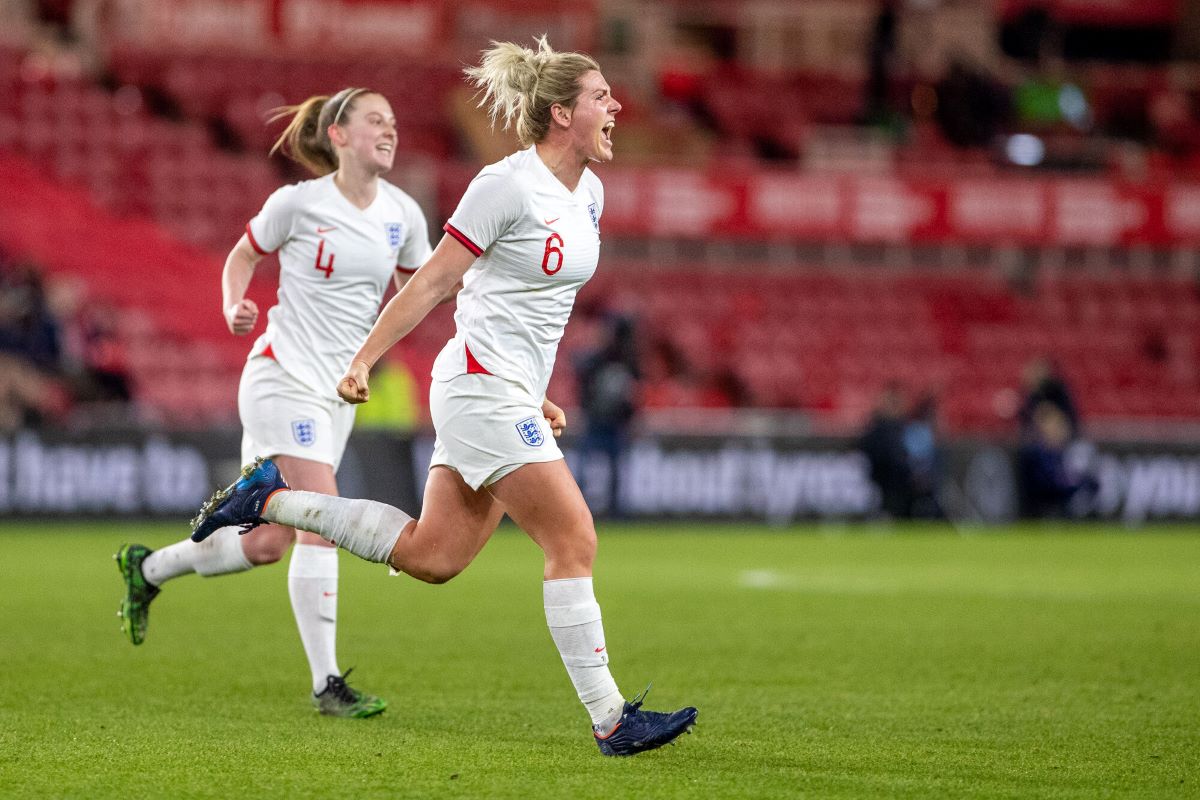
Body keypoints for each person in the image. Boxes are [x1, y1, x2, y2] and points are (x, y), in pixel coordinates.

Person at [190, 37, 698, 757]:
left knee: (434, 557)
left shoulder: (589, 193)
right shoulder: (506, 185)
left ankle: (267, 502)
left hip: (505, 388)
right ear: (560, 113)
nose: (616, 106)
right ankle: (611, 718)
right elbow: (432, 282)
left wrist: (539, 392)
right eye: (600, 97)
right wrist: (365, 357)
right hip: (479, 387)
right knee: (573, 538)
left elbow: (533, 307)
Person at [116, 87, 435, 718]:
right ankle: (327, 686)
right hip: (281, 378)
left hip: (336, 399)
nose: (390, 129)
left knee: (266, 543)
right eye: (375, 119)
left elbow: (424, 290)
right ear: (338, 135)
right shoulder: (298, 202)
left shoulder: (403, 214)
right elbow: (242, 256)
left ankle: (147, 570)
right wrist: (233, 303)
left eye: (394, 120)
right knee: (325, 515)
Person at [574, 312, 640, 517]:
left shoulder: (626, 361)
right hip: (598, 421)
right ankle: (580, 505)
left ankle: (614, 508)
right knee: (592, 465)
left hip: (613, 423)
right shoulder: (605, 361)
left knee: (613, 467)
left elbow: (634, 394)